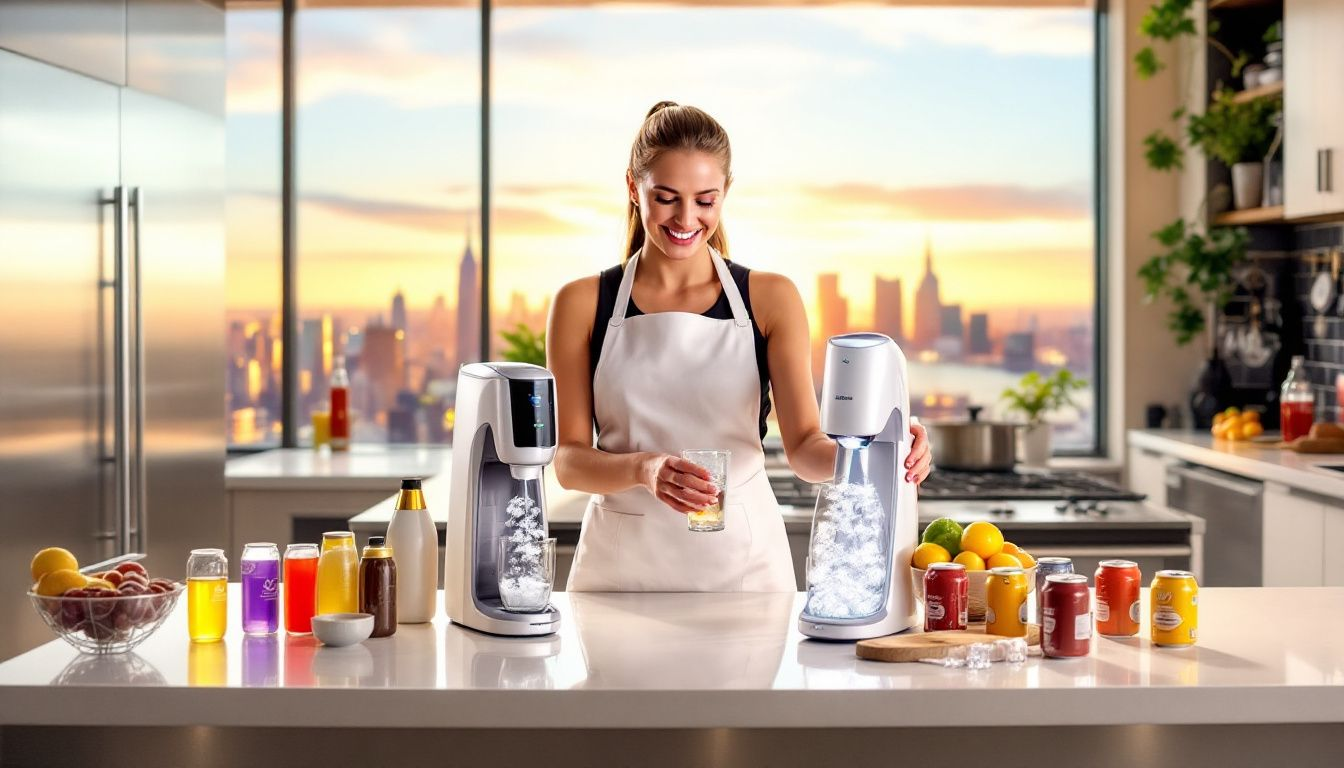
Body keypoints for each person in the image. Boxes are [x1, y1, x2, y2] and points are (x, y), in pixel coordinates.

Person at [547, 101, 933, 592]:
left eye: (705, 200)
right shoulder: (582, 303)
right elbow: (569, 462)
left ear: (725, 193)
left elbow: (805, 449)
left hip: (744, 571)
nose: (686, 218)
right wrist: (646, 468)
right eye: (666, 197)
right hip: (621, 571)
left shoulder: (770, 298)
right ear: (632, 187)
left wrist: (883, 447)